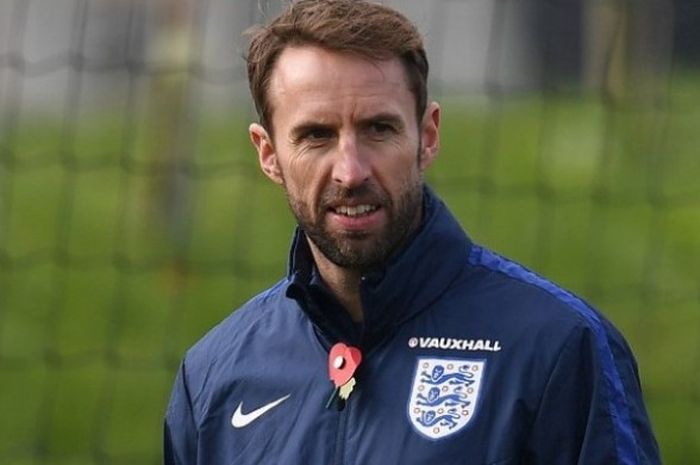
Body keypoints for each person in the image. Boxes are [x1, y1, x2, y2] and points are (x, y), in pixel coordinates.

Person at [164, 1, 661, 464]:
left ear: (427, 136)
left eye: (379, 129)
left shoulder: (558, 346)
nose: (350, 170)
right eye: (316, 135)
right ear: (268, 153)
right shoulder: (213, 375)